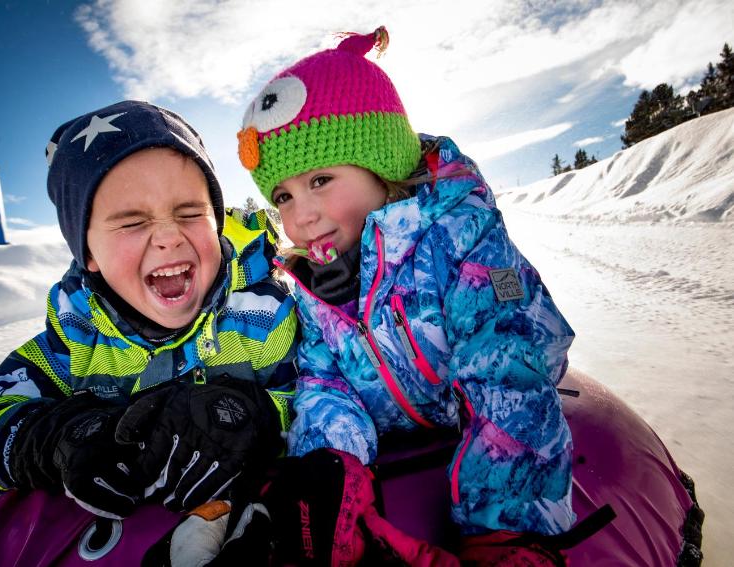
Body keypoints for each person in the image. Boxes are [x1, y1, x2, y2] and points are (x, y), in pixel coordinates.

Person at [233, 27, 576, 565]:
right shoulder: (310, 284)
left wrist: (507, 527)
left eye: (320, 180)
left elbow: (507, 359)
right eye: (283, 195)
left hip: (487, 421)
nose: (301, 216)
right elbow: (324, 379)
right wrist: (332, 467)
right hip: (401, 430)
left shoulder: (460, 236)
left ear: (384, 164)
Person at [0, 100, 299, 521]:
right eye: (131, 222)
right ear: (88, 253)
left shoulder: (261, 315)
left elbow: (312, 403)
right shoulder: (77, 337)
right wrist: (58, 438)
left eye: (189, 212)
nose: (169, 237)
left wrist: (246, 416)